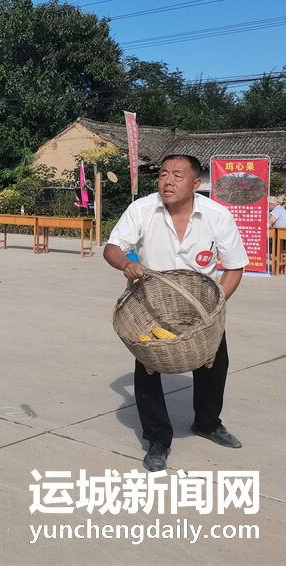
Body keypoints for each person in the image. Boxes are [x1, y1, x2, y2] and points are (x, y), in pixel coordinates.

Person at [103, 154, 248, 473]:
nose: (168, 180)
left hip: (202, 305)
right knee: (148, 368)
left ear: (196, 184)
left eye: (178, 175)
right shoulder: (142, 209)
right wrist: (126, 263)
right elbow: (112, 248)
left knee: (214, 364)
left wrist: (215, 306)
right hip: (153, 304)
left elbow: (235, 266)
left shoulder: (216, 215)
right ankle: (156, 438)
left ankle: (208, 423)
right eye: (164, 174)